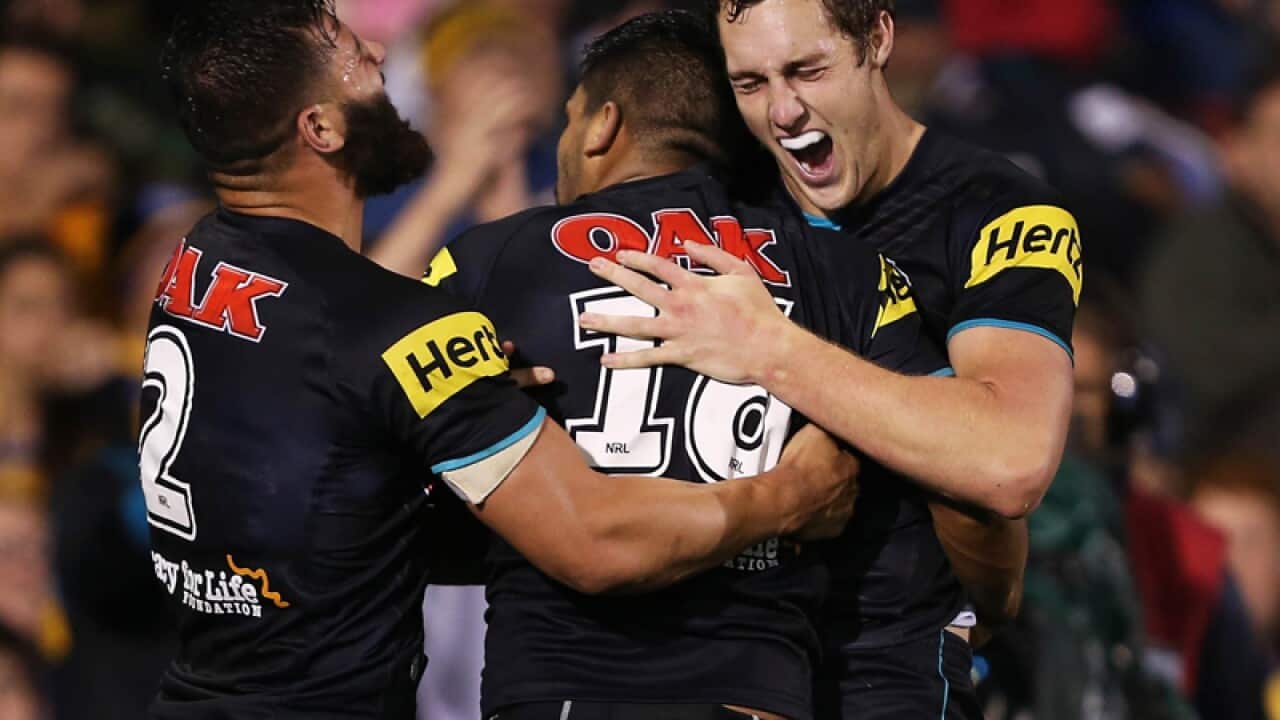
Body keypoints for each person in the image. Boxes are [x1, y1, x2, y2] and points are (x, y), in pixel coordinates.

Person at [149, 2, 858, 718]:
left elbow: (327, 481)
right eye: (351, 55)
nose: (380, 53)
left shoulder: (195, 266)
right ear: (321, 129)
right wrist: (790, 494)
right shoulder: (397, 331)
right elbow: (596, 544)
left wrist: (440, 428)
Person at [427, 12, 948, 720]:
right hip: (757, 691)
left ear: (603, 125)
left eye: (570, 120)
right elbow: (950, 484)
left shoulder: (489, 263)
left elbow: (364, 467)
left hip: (563, 683)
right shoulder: (846, 271)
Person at [582, 1, 1081, 717]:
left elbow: (1010, 460)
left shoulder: (996, 210)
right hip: (711, 656)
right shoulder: (717, 202)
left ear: (877, 37)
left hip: (884, 666)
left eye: (807, 70)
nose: (783, 111)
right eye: (751, 83)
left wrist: (770, 349)